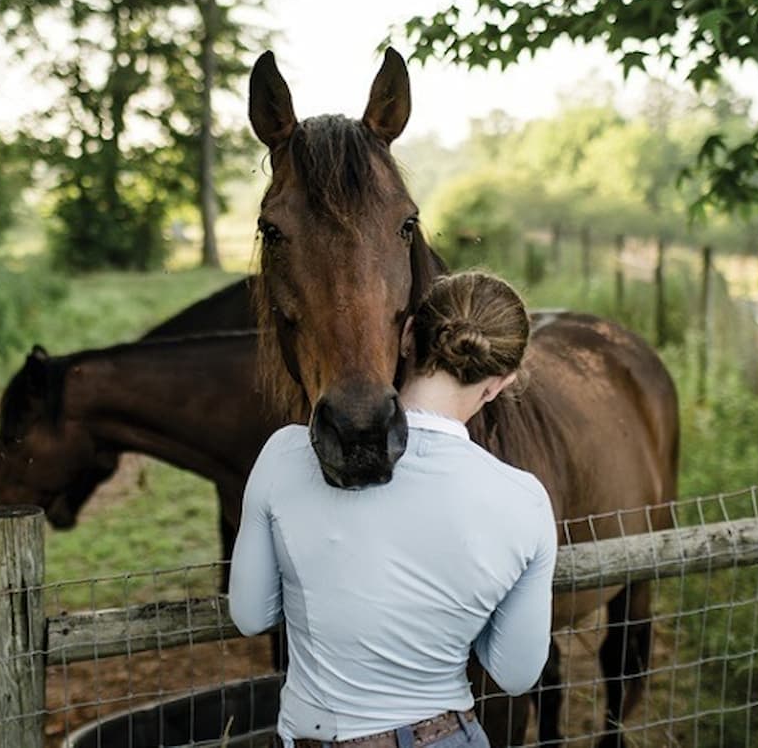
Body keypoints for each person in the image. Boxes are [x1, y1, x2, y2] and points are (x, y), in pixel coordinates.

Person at [229, 271, 557, 748]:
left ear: (406, 338)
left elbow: (251, 615)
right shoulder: (525, 501)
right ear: (499, 384)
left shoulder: (285, 456)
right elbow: (515, 673)